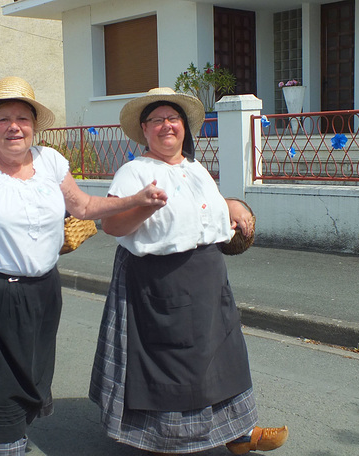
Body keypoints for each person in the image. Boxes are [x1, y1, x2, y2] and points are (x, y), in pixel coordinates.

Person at [0, 76, 168, 455]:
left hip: (42, 292)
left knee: (29, 375)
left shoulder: (50, 161)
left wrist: (136, 198)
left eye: (23, 119)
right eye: (4, 119)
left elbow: (83, 208)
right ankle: (4, 445)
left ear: (34, 126)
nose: (15, 127)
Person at [89, 87, 289, 455]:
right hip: (162, 283)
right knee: (176, 368)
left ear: (184, 127)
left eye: (173, 118)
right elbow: (113, 227)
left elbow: (198, 208)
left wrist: (229, 205)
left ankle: (239, 434)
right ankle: (171, 442)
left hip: (210, 280)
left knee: (223, 358)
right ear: (144, 130)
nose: (167, 126)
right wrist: (143, 207)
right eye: (157, 120)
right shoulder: (135, 172)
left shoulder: (195, 169)